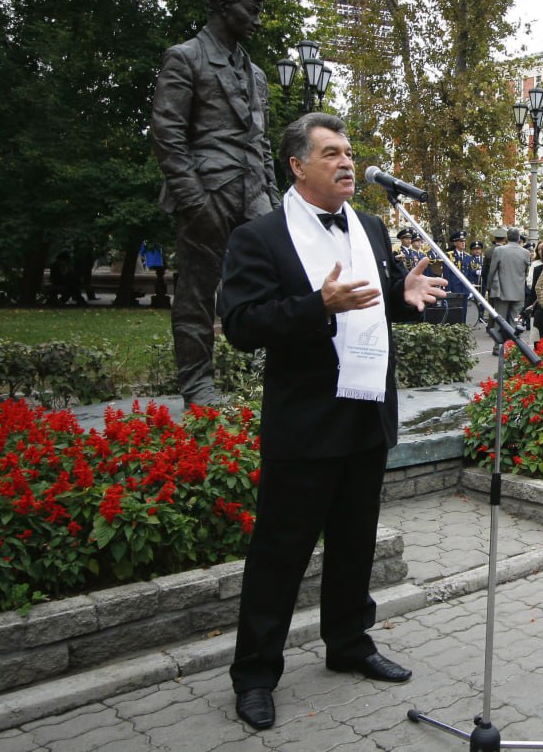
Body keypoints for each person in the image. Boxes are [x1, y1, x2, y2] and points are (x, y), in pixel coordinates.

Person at [218, 113, 448, 730]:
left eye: (349, 151)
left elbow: (369, 305)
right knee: (280, 554)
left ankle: (348, 644)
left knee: (354, 543)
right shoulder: (260, 237)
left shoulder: (371, 226)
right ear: (298, 166)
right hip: (306, 419)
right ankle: (256, 674)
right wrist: (313, 305)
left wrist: (404, 295)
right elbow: (241, 325)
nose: (348, 162)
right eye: (332, 153)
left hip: (368, 413)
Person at [151, 0, 281, 407]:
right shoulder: (185, 57)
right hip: (207, 190)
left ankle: (284, 372)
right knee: (196, 292)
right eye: (252, 9)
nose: (258, 19)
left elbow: (261, 143)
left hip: (254, 194)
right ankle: (198, 387)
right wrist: (193, 198)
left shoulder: (256, 74)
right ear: (224, 5)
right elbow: (167, 133)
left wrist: (276, 200)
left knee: (287, 279)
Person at [484, 228, 531, 355]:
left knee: (500, 320)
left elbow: (492, 270)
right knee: (515, 321)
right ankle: (512, 347)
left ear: (506, 238)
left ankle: (498, 347)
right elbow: (526, 272)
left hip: (501, 291)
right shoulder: (526, 252)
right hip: (518, 291)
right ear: (519, 238)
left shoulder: (499, 250)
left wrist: (489, 287)